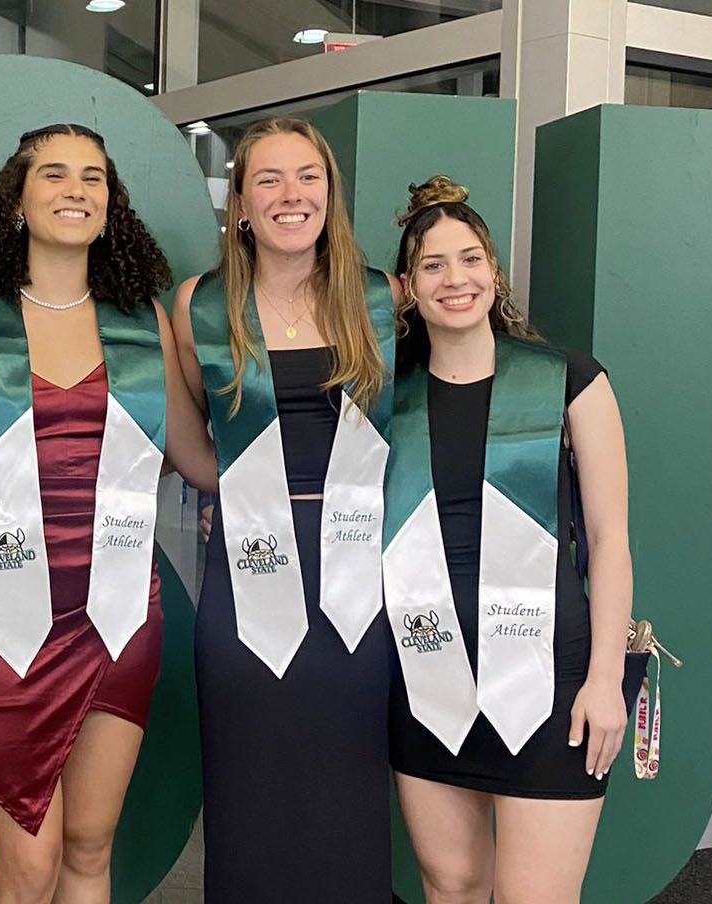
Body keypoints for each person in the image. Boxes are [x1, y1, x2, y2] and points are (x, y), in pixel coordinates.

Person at [0, 123, 216, 904]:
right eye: (54, 175)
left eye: (93, 177)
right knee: (27, 864)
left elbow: (197, 460)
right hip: (0, 617)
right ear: (18, 201)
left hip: (121, 613)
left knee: (92, 849)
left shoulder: (142, 324)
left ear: (110, 204)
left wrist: (310, 491)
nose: (76, 190)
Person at [169, 117, 399, 901]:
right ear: (239, 201)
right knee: (252, 782)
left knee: (349, 780)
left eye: (308, 176)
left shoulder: (384, 299)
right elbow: (188, 445)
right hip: (250, 567)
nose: (290, 194)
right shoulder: (199, 306)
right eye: (268, 179)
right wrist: (243, 499)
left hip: (358, 568)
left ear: (330, 195)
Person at [383, 176, 631, 904]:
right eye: (433, 265)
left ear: (494, 271)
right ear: (407, 285)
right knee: (451, 884)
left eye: (470, 259)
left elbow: (611, 538)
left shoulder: (569, 382)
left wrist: (605, 679)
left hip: (552, 682)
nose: (455, 279)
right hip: (428, 674)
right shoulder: (384, 393)